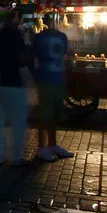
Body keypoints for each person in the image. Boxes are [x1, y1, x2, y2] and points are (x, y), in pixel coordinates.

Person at [33, 14, 75, 162]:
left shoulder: (61, 37)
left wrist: (66, 73)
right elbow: (32, 57)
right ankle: (41, 147)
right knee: (45, 114)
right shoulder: (39, 38)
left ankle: (52, 144)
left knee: (56, 113)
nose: (52, 22)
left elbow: (69, 55)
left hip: (57, 79)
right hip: (46, 80)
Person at [0, 11, 30, 165]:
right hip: (15, 82)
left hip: (1, 82)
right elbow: (21, 59)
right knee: (18, 122)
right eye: (18, 17)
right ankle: (16, 156)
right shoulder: (15, 35)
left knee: (0, 122)